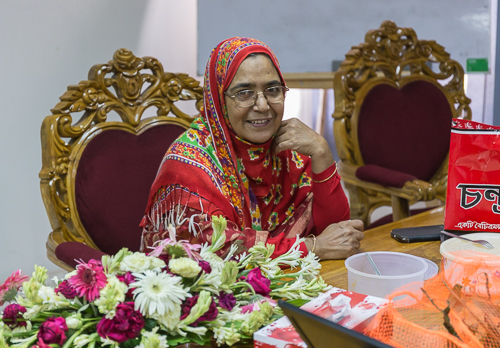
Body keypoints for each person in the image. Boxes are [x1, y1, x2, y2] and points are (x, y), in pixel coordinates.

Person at [140, 37, 364, 260]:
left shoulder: (290, 150)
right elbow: (217, 254)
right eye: (244, 93)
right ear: (219, 99)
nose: (263, 105)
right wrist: (312, 248)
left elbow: (340, 236)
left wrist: (322, 152)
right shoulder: (188, 166)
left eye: (273, 90)